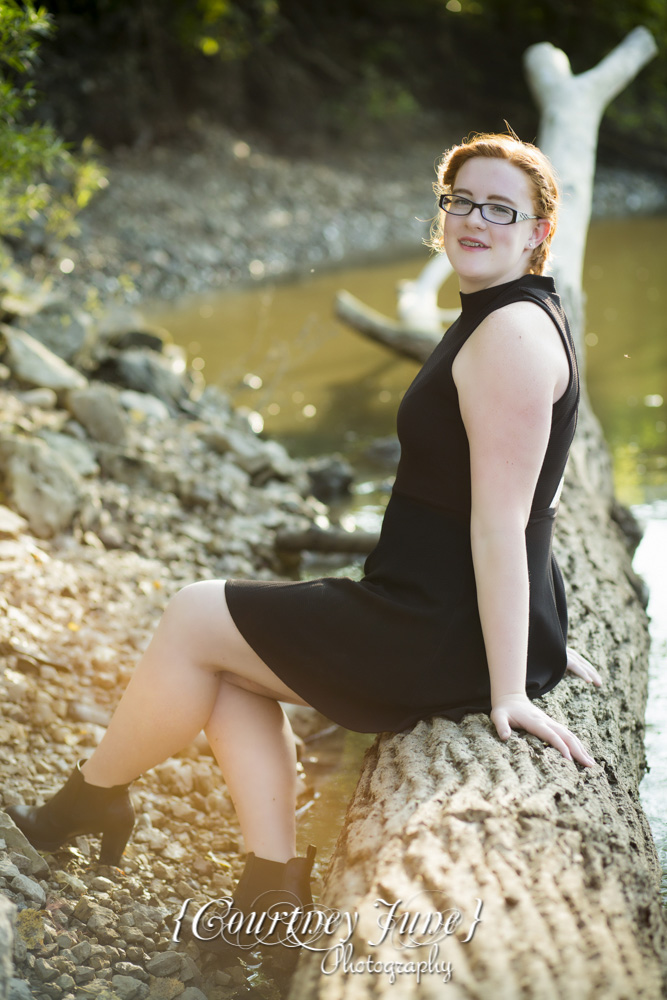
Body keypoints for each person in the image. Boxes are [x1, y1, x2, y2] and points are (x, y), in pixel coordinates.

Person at [7, 131, 601, 922]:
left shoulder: (510, 337)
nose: (473, 219)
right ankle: (269, 880)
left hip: (433, 628)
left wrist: (510, 683)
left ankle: (91, 800)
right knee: (223, 655)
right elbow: (536, 495)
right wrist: (542, 625)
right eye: (460, 200)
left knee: (194, 614)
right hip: (428, 603)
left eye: (500, 208)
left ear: (538, 232)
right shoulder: (511, 315)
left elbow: (505, 521)